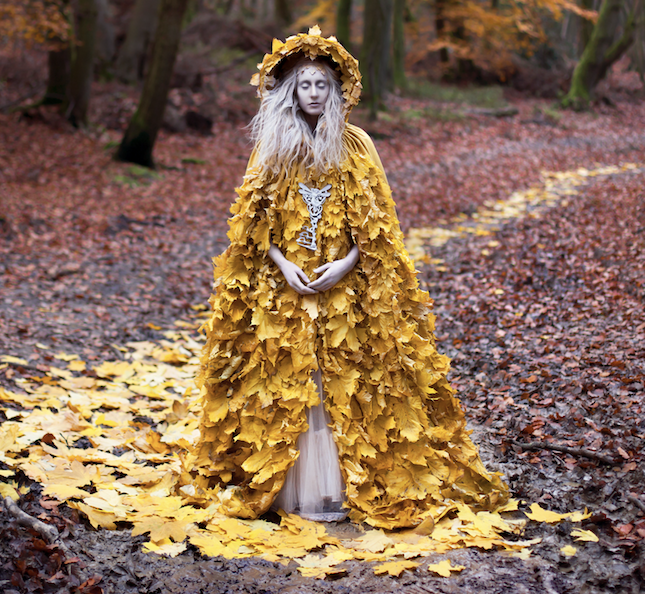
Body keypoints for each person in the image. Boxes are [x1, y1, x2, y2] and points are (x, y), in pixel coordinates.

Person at [188, 27, 510, 529]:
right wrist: (282, 263)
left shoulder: (356, 145)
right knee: (289, 375)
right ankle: (284, 485)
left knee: (350, 377)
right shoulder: (272, 148)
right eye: (305, 84)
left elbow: (378, 222)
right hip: (285, 286)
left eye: (322, 85)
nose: (313, 93)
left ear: (335, 92)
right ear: (291, 91)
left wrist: (347, 264)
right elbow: (256, 228)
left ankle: (355, 479)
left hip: (347, 286)